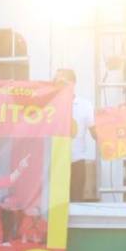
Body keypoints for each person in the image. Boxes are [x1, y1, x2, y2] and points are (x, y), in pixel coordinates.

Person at [55, 68, 95, 203]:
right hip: (55, 162)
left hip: (76, 163)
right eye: (55, 81)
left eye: (61, 81)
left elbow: (96, 133)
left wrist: (114, 122)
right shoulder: (50, 104)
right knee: (57, 203)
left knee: (76, 202)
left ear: (72, 83)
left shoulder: (85, 105)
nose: (57, 84)